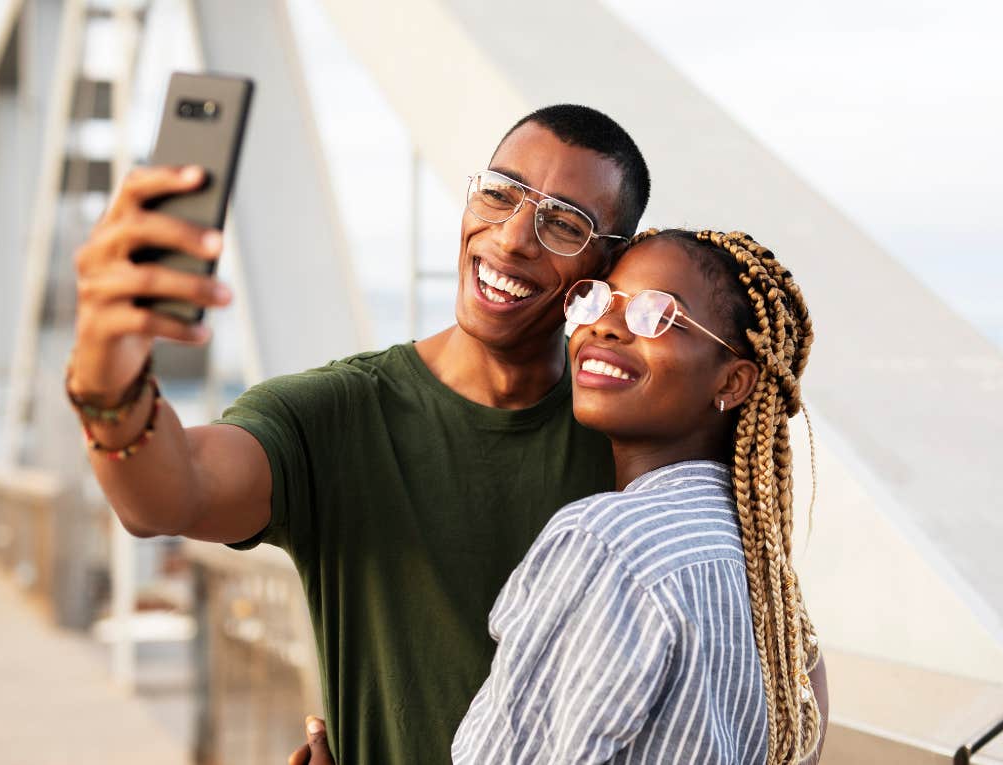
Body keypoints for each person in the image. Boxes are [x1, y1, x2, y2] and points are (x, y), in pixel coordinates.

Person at [65, 104, 650, 763]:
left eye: (565, 224)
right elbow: (169, 495)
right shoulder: (339, 415)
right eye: (499, 192)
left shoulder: (635, 446)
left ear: (613, 264)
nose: (513, 236)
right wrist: (107, 373)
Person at [450, 229, 829, 764]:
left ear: (732, 383)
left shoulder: (608, 542)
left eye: (655, 314)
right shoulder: (774, 599)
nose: (604, 324)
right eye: (599, 299)